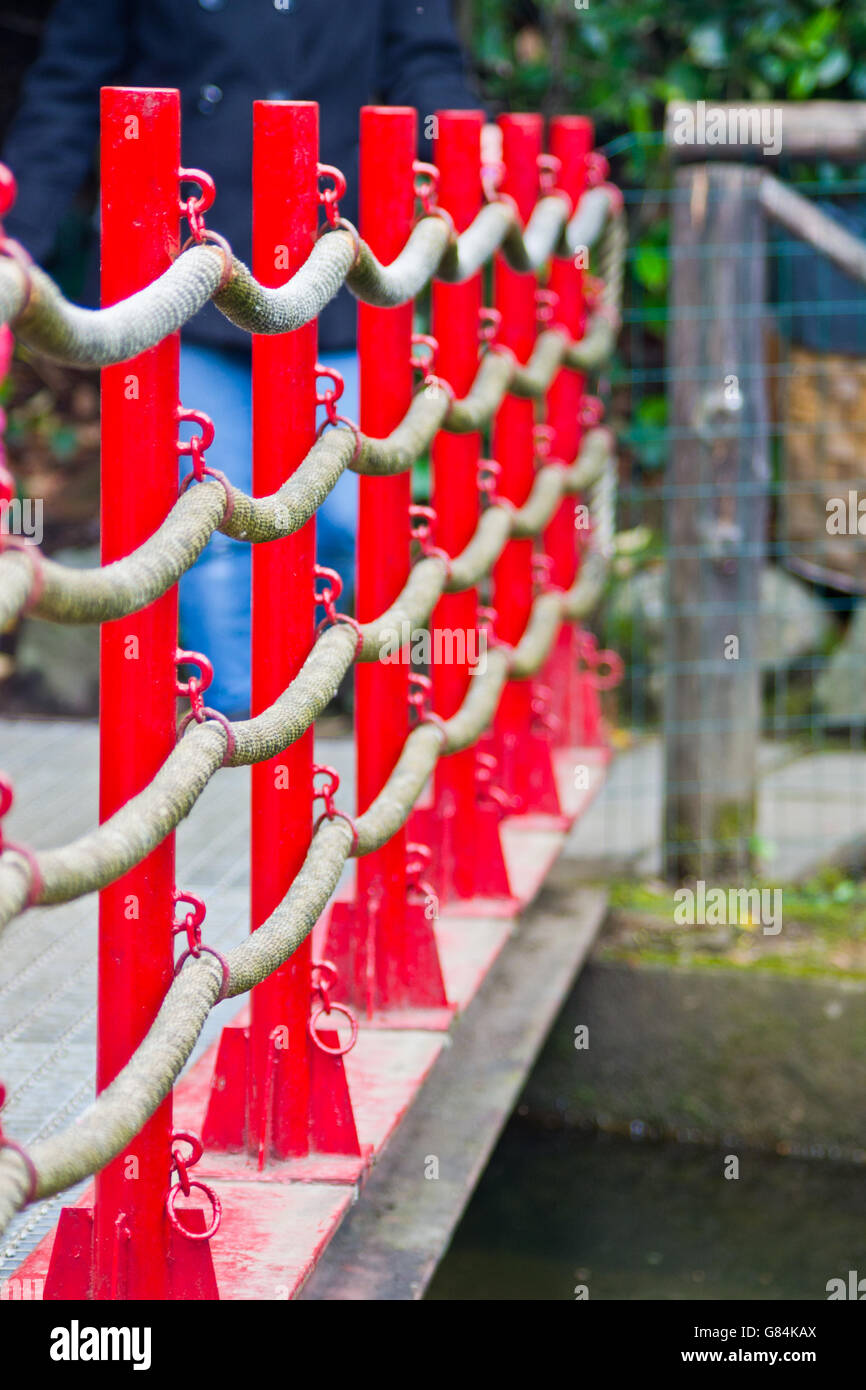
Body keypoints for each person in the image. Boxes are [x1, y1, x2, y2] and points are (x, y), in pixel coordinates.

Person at [2, 0, 485, 717]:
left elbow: (424, 63)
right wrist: (15, 241)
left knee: (355, 515)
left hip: (335, 257)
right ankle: (249, 734)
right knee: (211, 516)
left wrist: (471, 158)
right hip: (183, 259)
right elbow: (69, 90)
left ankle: (355, 715)